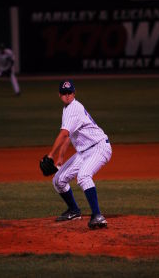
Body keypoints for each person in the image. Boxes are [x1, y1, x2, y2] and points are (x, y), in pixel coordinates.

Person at [46, 79, 112, 229]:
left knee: (83, 176)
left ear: (74, 93)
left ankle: (98, 216)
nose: (67, 96)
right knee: (59, 180)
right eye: (64, 93)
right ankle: (74, 210)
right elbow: (68, 137)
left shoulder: (74, 108)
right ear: (59, 95)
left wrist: (51, 155)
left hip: (99, 147)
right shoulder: (67, 109)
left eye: (70, 93)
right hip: (84, 152)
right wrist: (60, 159)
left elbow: (64, 134)